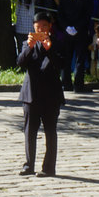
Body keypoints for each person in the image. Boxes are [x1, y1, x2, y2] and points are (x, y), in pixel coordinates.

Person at [18, 11, 65, 177]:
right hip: (31, 94)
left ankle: (49, 167)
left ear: (49, 27)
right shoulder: (27, 43)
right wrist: (30, 47)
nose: (41, 29)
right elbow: (20, 62)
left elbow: (61, 65)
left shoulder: (57, 42)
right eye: (38, 27)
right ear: (34, 28)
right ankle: (28, 165)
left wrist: (50, 50)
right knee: (29, 131)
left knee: (50, 132)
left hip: (51, 95)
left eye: (44, 26)